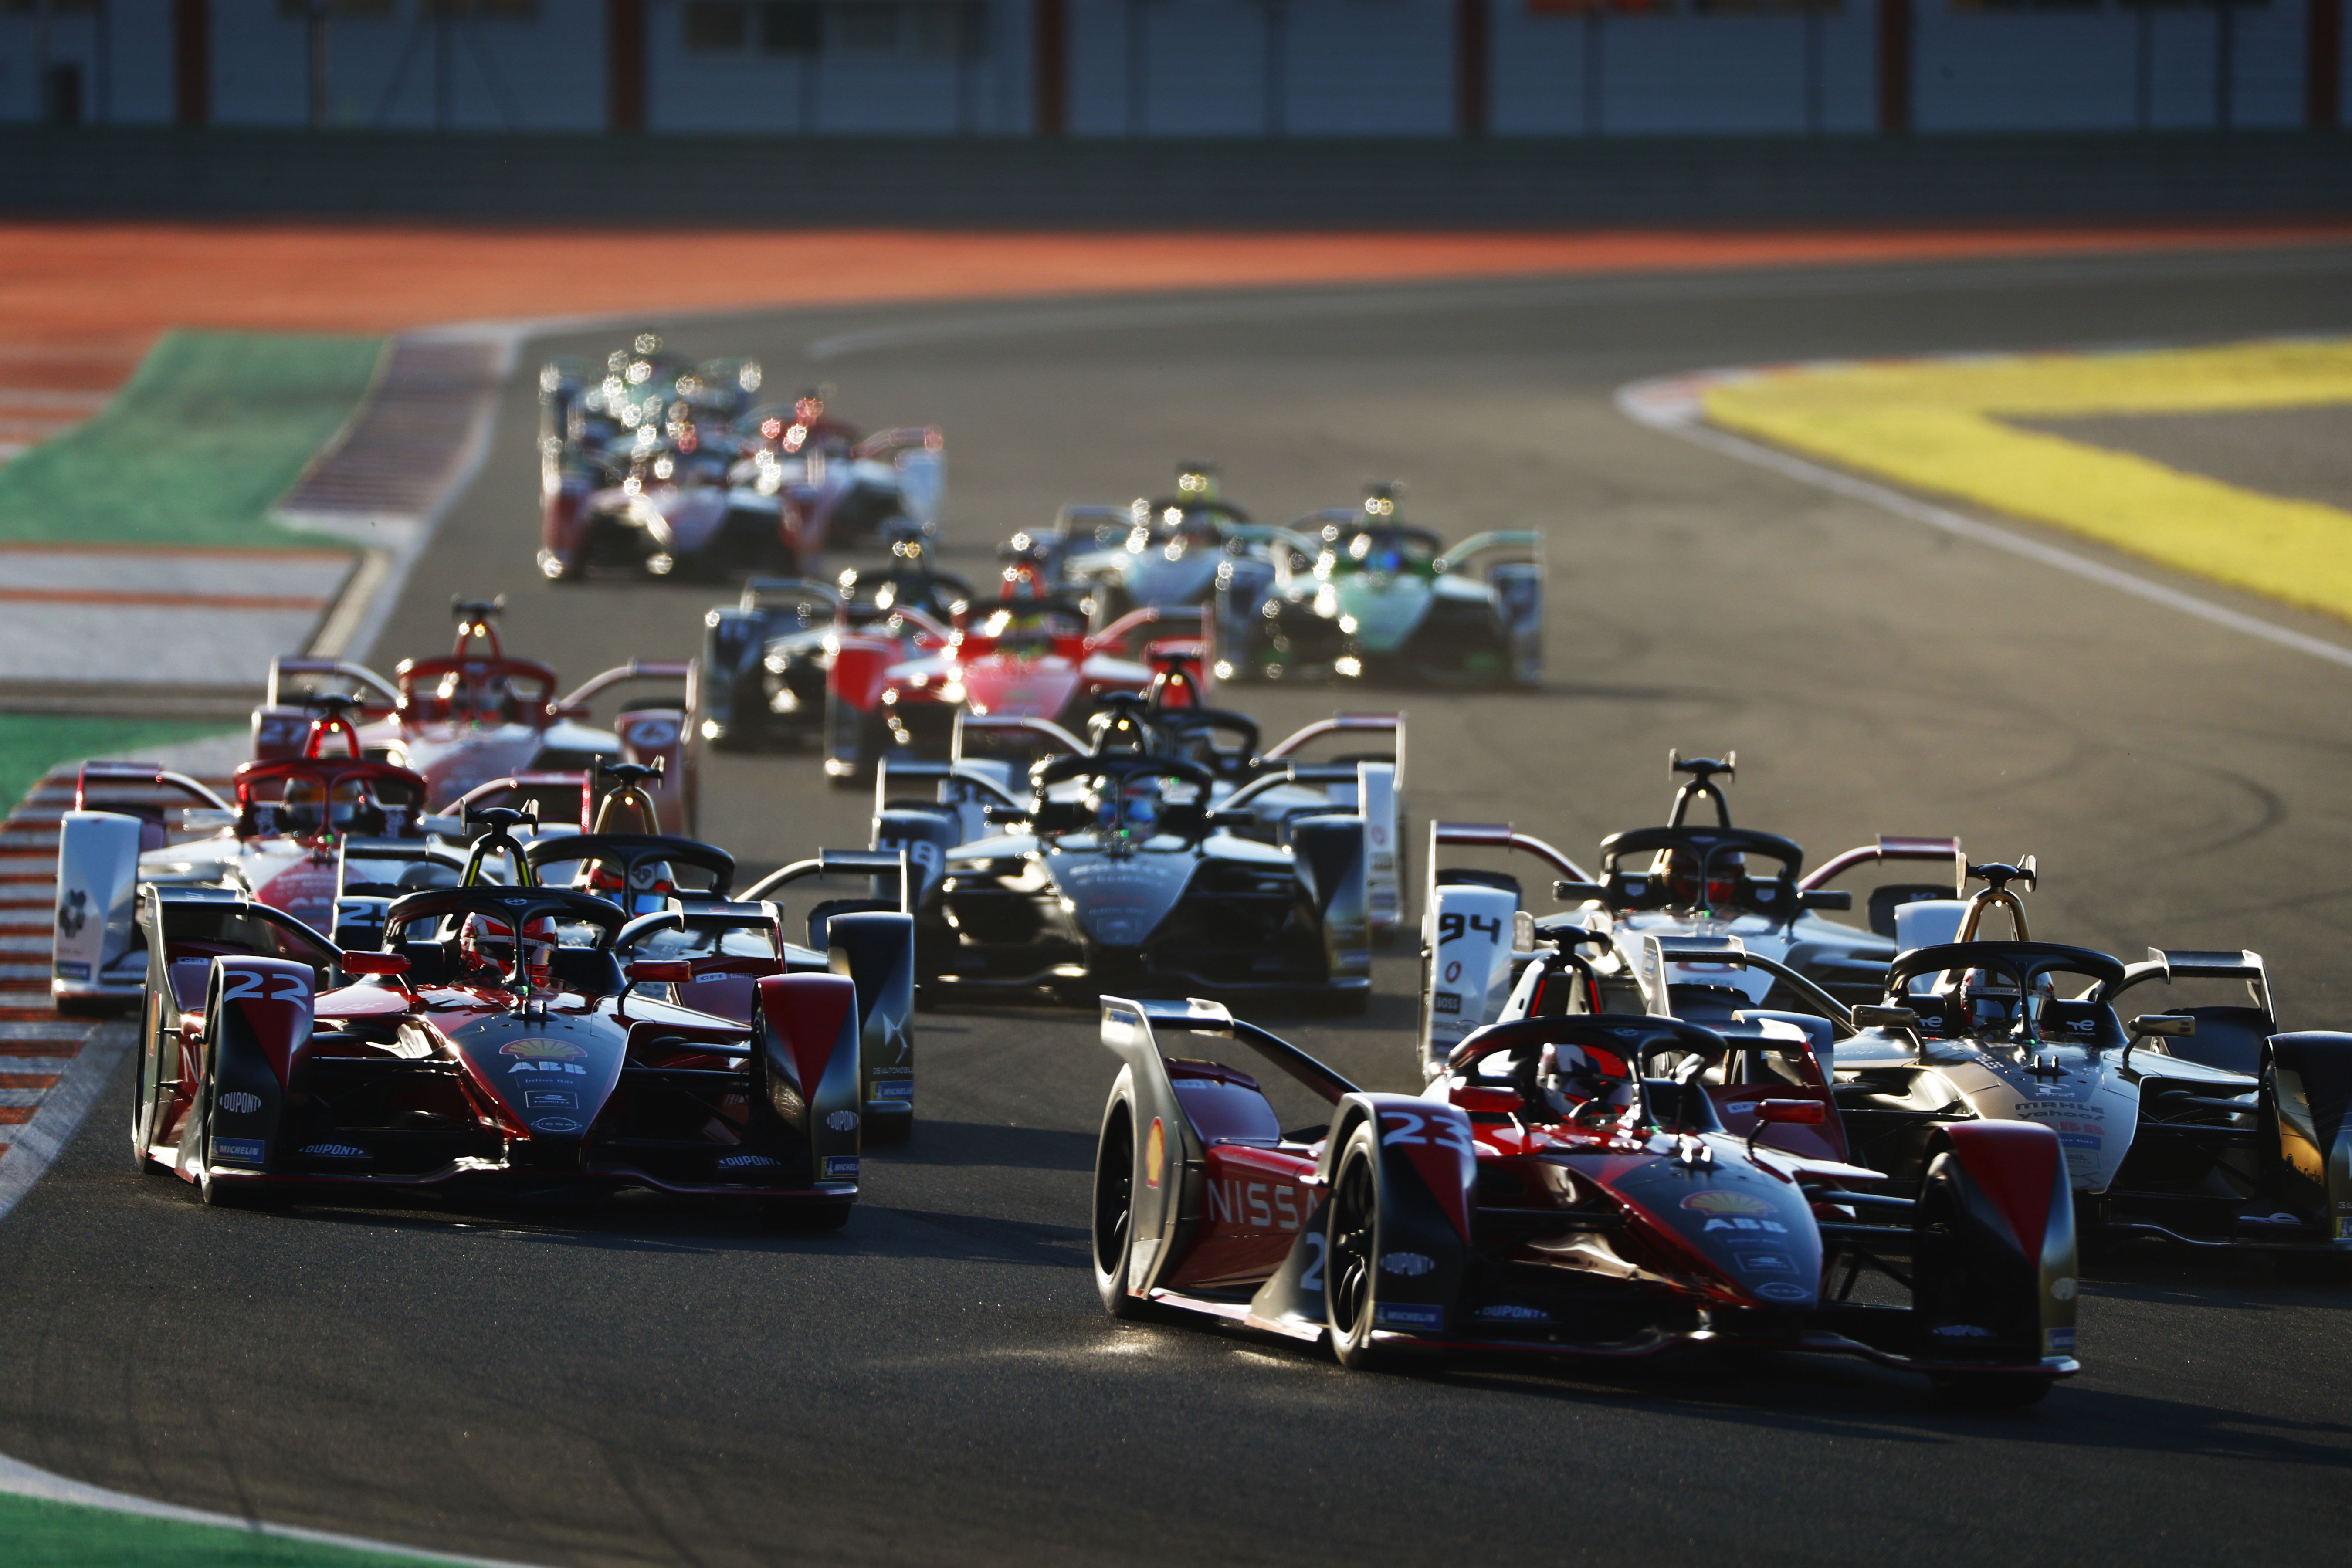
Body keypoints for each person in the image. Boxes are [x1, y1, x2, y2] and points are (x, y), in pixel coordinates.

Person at [457, 913, 559, 990]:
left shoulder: (558, 1000)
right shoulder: (455, 996)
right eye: (503, 951)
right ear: (468, 945)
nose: (521, 962)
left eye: (530, 953)